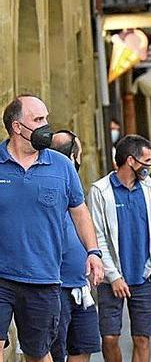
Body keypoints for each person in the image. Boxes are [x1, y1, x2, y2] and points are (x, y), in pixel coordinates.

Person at [0, 95, 104, 362]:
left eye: (46, 118)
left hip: (43, 277)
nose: (46, 125)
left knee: (38, 354)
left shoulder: (62, 166)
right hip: (1, 276)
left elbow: (80, 212)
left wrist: (93, 252)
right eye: (38, 119)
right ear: (17, 127)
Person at [88, 135, 151, 362]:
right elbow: (97, 238)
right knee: (109, 338)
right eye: (146, 160)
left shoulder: (150, 187)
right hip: (110, 279)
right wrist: (113, 276)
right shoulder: (100, 191)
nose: (149, 165)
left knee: (142, 338)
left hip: (143, 276)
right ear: (131, 161)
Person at [50, 131, 102, 362]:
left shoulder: (75, 188)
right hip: (54, 287)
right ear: (73, 156)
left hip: (81, 286)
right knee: (54, 351)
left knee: (83, 346)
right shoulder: (51, 185)